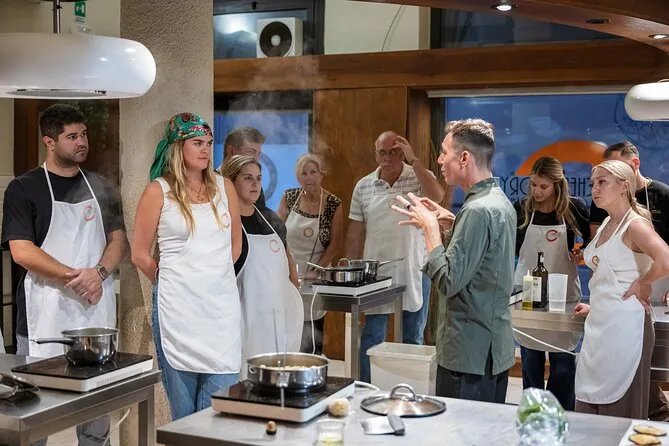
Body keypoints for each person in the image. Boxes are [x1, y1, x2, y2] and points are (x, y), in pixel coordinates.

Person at [1, 104, 126, 445]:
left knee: (96, 411)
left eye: (83, 134)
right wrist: (78, 278)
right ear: (49, 142)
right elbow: (22, 251)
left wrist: (98, 273)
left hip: (94, 315)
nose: (82, 142)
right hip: (44, 313)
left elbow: (118, 241)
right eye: (72, 137)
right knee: (33, 412)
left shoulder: (101, 186)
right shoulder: (23, 188)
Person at [392, 119, 515, 404]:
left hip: (467, 355)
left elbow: (448, 281)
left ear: (464, 158)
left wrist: (430, 231)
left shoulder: (477, 210)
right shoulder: (498, 201)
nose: (439, 160)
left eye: (444, 152)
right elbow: (483, 260)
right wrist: (452, 225)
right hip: (492, 350)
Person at [131, 112, 243, 420]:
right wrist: (172, 280)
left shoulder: (224, 187)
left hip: (220, 311)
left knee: (219, 412)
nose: (206, 149)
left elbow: (235, 246)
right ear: (177, 146)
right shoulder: (158, 191)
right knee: (184, 417)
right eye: (197, 143)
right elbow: (139, 253)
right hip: (177, 309)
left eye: (208, 142)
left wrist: (212, 275)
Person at [346, 131, 445, 383]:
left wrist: (414, 160)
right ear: (375, 154)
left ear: (402, 153)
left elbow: (437, 196)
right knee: (372, 335)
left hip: (416, 267)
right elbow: (355, 232)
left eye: (394, 152)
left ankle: (409, 390)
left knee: (412, 336)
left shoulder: (419, 176)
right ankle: (366, 388)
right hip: (376, 272)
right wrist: (349, 267)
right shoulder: (364, 185)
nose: (387, 158)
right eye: (382, 152)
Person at [574, 160, 669, 419]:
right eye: (593, 183)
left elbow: (665, 260)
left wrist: (644, 282)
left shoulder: (635, 225)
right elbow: (610, 275)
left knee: (619, 408)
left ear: (624, 186)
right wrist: (597, 305)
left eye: (602, 182)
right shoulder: (607, 223)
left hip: (627, 326)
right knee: (590, 403)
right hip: (600, 326)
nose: (594, 189)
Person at [513, 156, 591, 411]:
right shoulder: (521, 208)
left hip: (562, 293)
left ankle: (561, 414)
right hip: (528, 294)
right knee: (530, 362)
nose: (537, 191)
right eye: (533, 184)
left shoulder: (574, 208)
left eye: (543, 187)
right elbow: (511, 248)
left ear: (558, 185)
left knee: (563, 364)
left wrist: (582, 253)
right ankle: (533, 413)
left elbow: (593, 244)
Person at [221, 155, 303, 362]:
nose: (255, 184)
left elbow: (287, 256)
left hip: (280, 319)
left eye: (258, 178)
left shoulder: (270, 218)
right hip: (246, 320)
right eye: (248, 178)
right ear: (231, 182)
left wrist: (294, 287)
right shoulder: (225, 222)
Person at [278, 154, 343, 354]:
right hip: (288, 274)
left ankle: (311, 364)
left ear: (321, 174)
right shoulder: (289, 197)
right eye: (304, 174)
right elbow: (277, 233)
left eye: (313, 172)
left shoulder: (333, 204)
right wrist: (289, 268)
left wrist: (317, 270)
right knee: (289, 330)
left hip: (316, 276)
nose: (309, 178)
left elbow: (335, 243)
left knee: (312, 332)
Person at [220, 127, 268, 207]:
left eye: (259, 154)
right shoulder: (210, 183)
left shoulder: (255, 189)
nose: (257, 159)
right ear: (231, 151)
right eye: (251, 152)